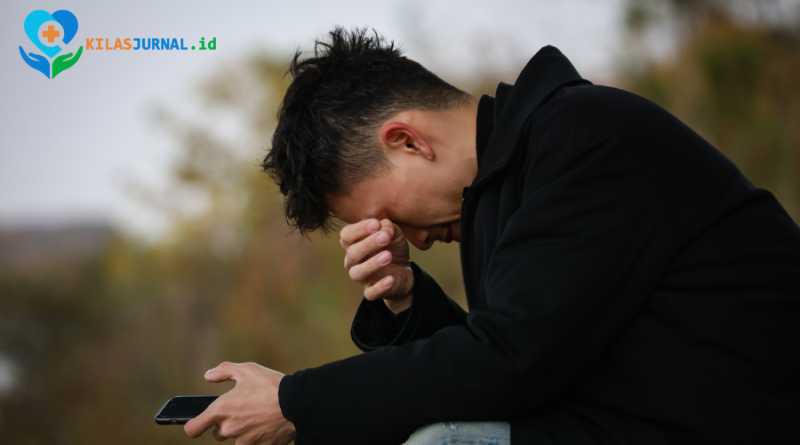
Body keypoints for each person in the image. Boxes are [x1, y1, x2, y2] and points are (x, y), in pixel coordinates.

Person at [183, 26, 800, 445]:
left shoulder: (584, 137)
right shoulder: (509, 186)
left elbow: (511, 363)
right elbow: (516, 364)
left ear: (407, 141)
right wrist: (406, 300)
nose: (409, 238)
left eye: (386, 213)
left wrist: (297, 402)